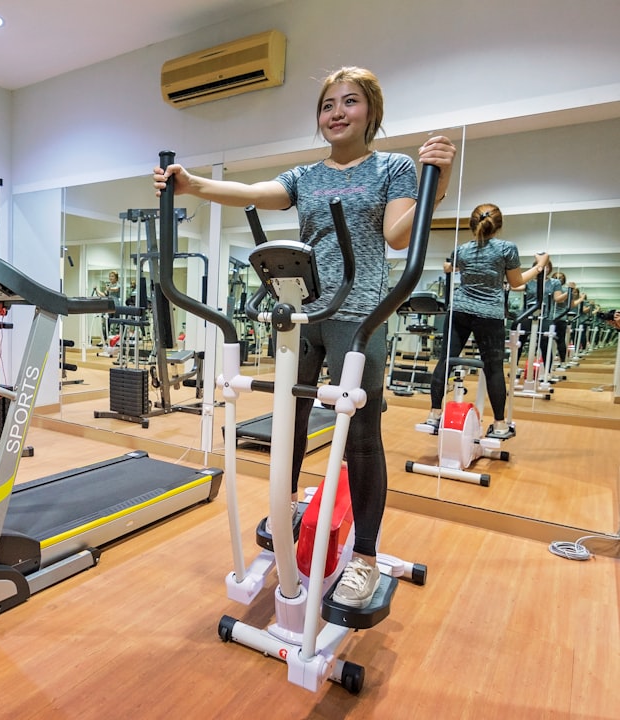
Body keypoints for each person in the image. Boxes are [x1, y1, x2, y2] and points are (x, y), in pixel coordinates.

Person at [153, 66, 456, 608]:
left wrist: (437, 186)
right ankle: (286, 504)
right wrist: (192, 184)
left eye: (350, 101)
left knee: (361, 432)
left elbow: (394, 234)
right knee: (289, 418)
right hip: (302, 312)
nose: (337, 112)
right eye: (327, 105)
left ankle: (364, 555)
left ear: (371, 112)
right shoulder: (305, 177)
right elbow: (252, 191)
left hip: (361, 313)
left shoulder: (394, 167)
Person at [423, 204, 550, 440]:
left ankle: (433, 414)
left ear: (473, 224)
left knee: (445, 360)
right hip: (489, 314)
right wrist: (539, 266)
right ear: (498, 225)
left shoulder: (461, 249)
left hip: (459, 310)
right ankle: (500, 425)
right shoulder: (507, 249)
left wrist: (449, 267)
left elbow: (456, 268)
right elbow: (516, 282)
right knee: (493, 369)